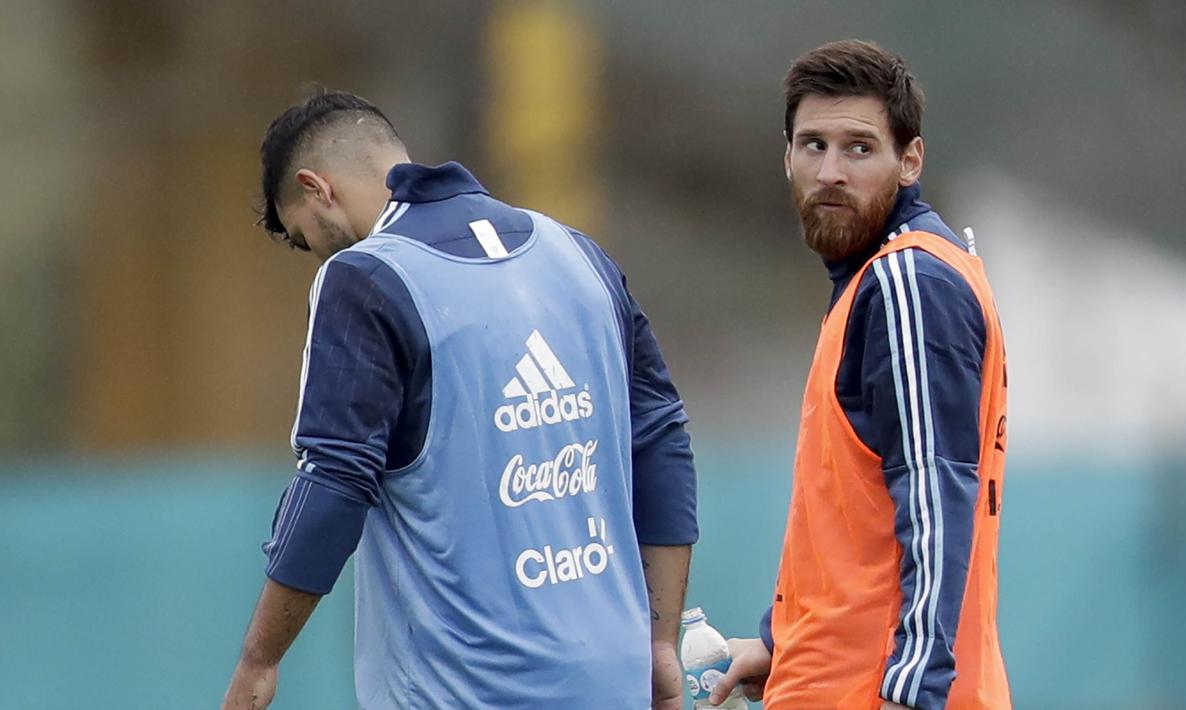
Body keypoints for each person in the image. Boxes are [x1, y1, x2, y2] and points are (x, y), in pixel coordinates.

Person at [220, 91, 698, 710]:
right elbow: (661, 439)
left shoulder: (364, 277)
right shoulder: (576, 253)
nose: (315, 253)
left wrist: (260, 660)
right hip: (613, 680)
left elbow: (334, 481)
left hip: (462, 690)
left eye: (302, 236)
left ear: (316, 188)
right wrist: (660, 644)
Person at [708, 41, 1011, 710]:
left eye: (858, 148)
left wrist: (911, 691)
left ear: (910, 160)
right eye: (812, 145)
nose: (830, 172)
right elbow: (857, 525)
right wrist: (780, 641)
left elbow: (934, 498)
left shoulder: (907, 282)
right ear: (784, 154)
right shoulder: (878, 280)